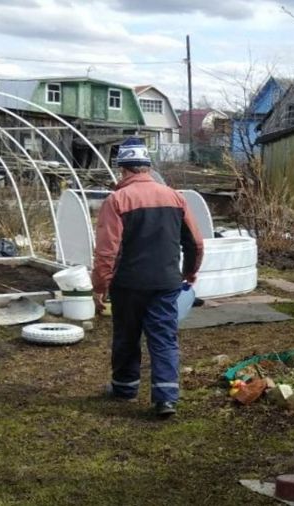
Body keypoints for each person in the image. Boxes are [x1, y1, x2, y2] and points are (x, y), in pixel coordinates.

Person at [91, 137, 204, 418]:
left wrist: (100, 286)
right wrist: (189, 272)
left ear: (123, 169)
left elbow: (107, 251)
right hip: (166, 283)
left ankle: (125, 387)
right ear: (147, 167)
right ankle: (166, 398)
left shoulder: (117, 200)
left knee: (127, 337)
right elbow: (195, 243)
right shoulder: (176, 197)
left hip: (128, 285)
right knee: (164, 338)